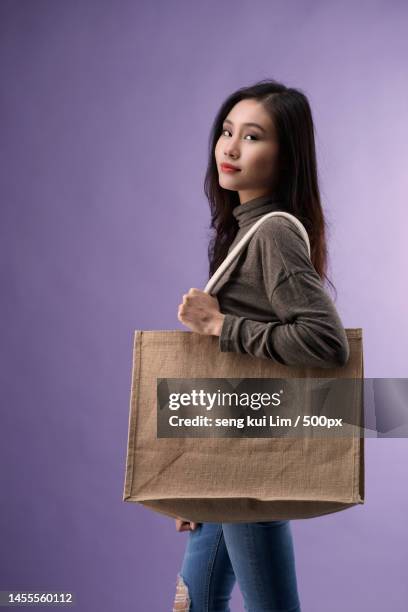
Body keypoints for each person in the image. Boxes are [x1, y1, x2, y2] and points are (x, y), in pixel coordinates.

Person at [172, 79, 350, 612]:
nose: (230, 147)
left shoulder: (272, 232)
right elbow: (229, 376)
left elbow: (326, 342)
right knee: (195, 602)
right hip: (228, 451)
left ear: (286, 156)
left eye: (252, 137)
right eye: (227, 131)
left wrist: (218, 327)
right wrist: (195, 477)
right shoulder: (243, 230)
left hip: (254, 461)